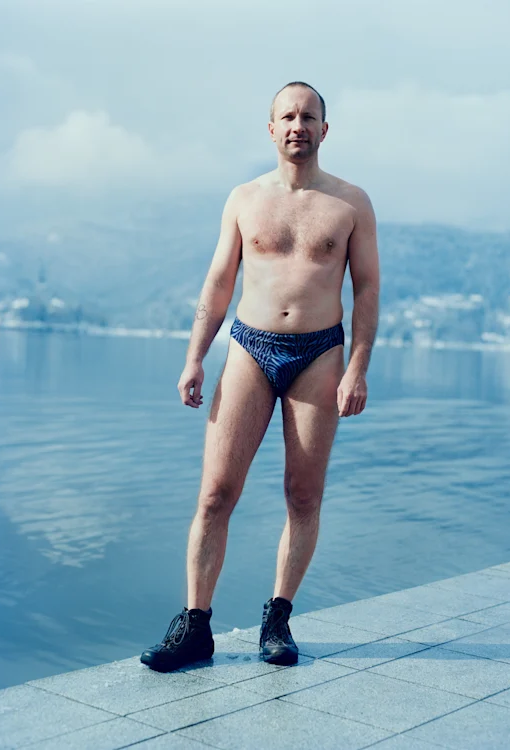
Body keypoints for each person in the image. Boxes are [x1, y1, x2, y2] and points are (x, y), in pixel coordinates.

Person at [141, 81, 380, 672]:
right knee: (215, 494)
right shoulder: (245, 198)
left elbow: (368, 288)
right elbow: (220, 280)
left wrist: (357, 368)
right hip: (250, 347)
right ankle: (195, 626)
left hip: (320, 353)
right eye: (288, 116)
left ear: (325, 129)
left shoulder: (350, 203)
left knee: (303, 495)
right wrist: (195, 356)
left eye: (309, 116)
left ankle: (278, 618)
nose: (298, 125)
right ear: (271, 129)